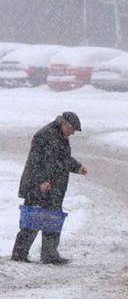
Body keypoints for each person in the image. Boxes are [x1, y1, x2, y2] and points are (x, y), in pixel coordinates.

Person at [11, 112, 88, 264]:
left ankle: (50, 255)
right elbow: (36, 161)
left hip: (54, 186)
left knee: (53, 218)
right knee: (33, 217)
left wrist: (77, 167)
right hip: (38, 185)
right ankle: (20, 254)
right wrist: (41, 180)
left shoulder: (60, 136)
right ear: (64, 123)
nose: (71, 133)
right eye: (71, 130)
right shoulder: (45, 135)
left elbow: (62, 159)